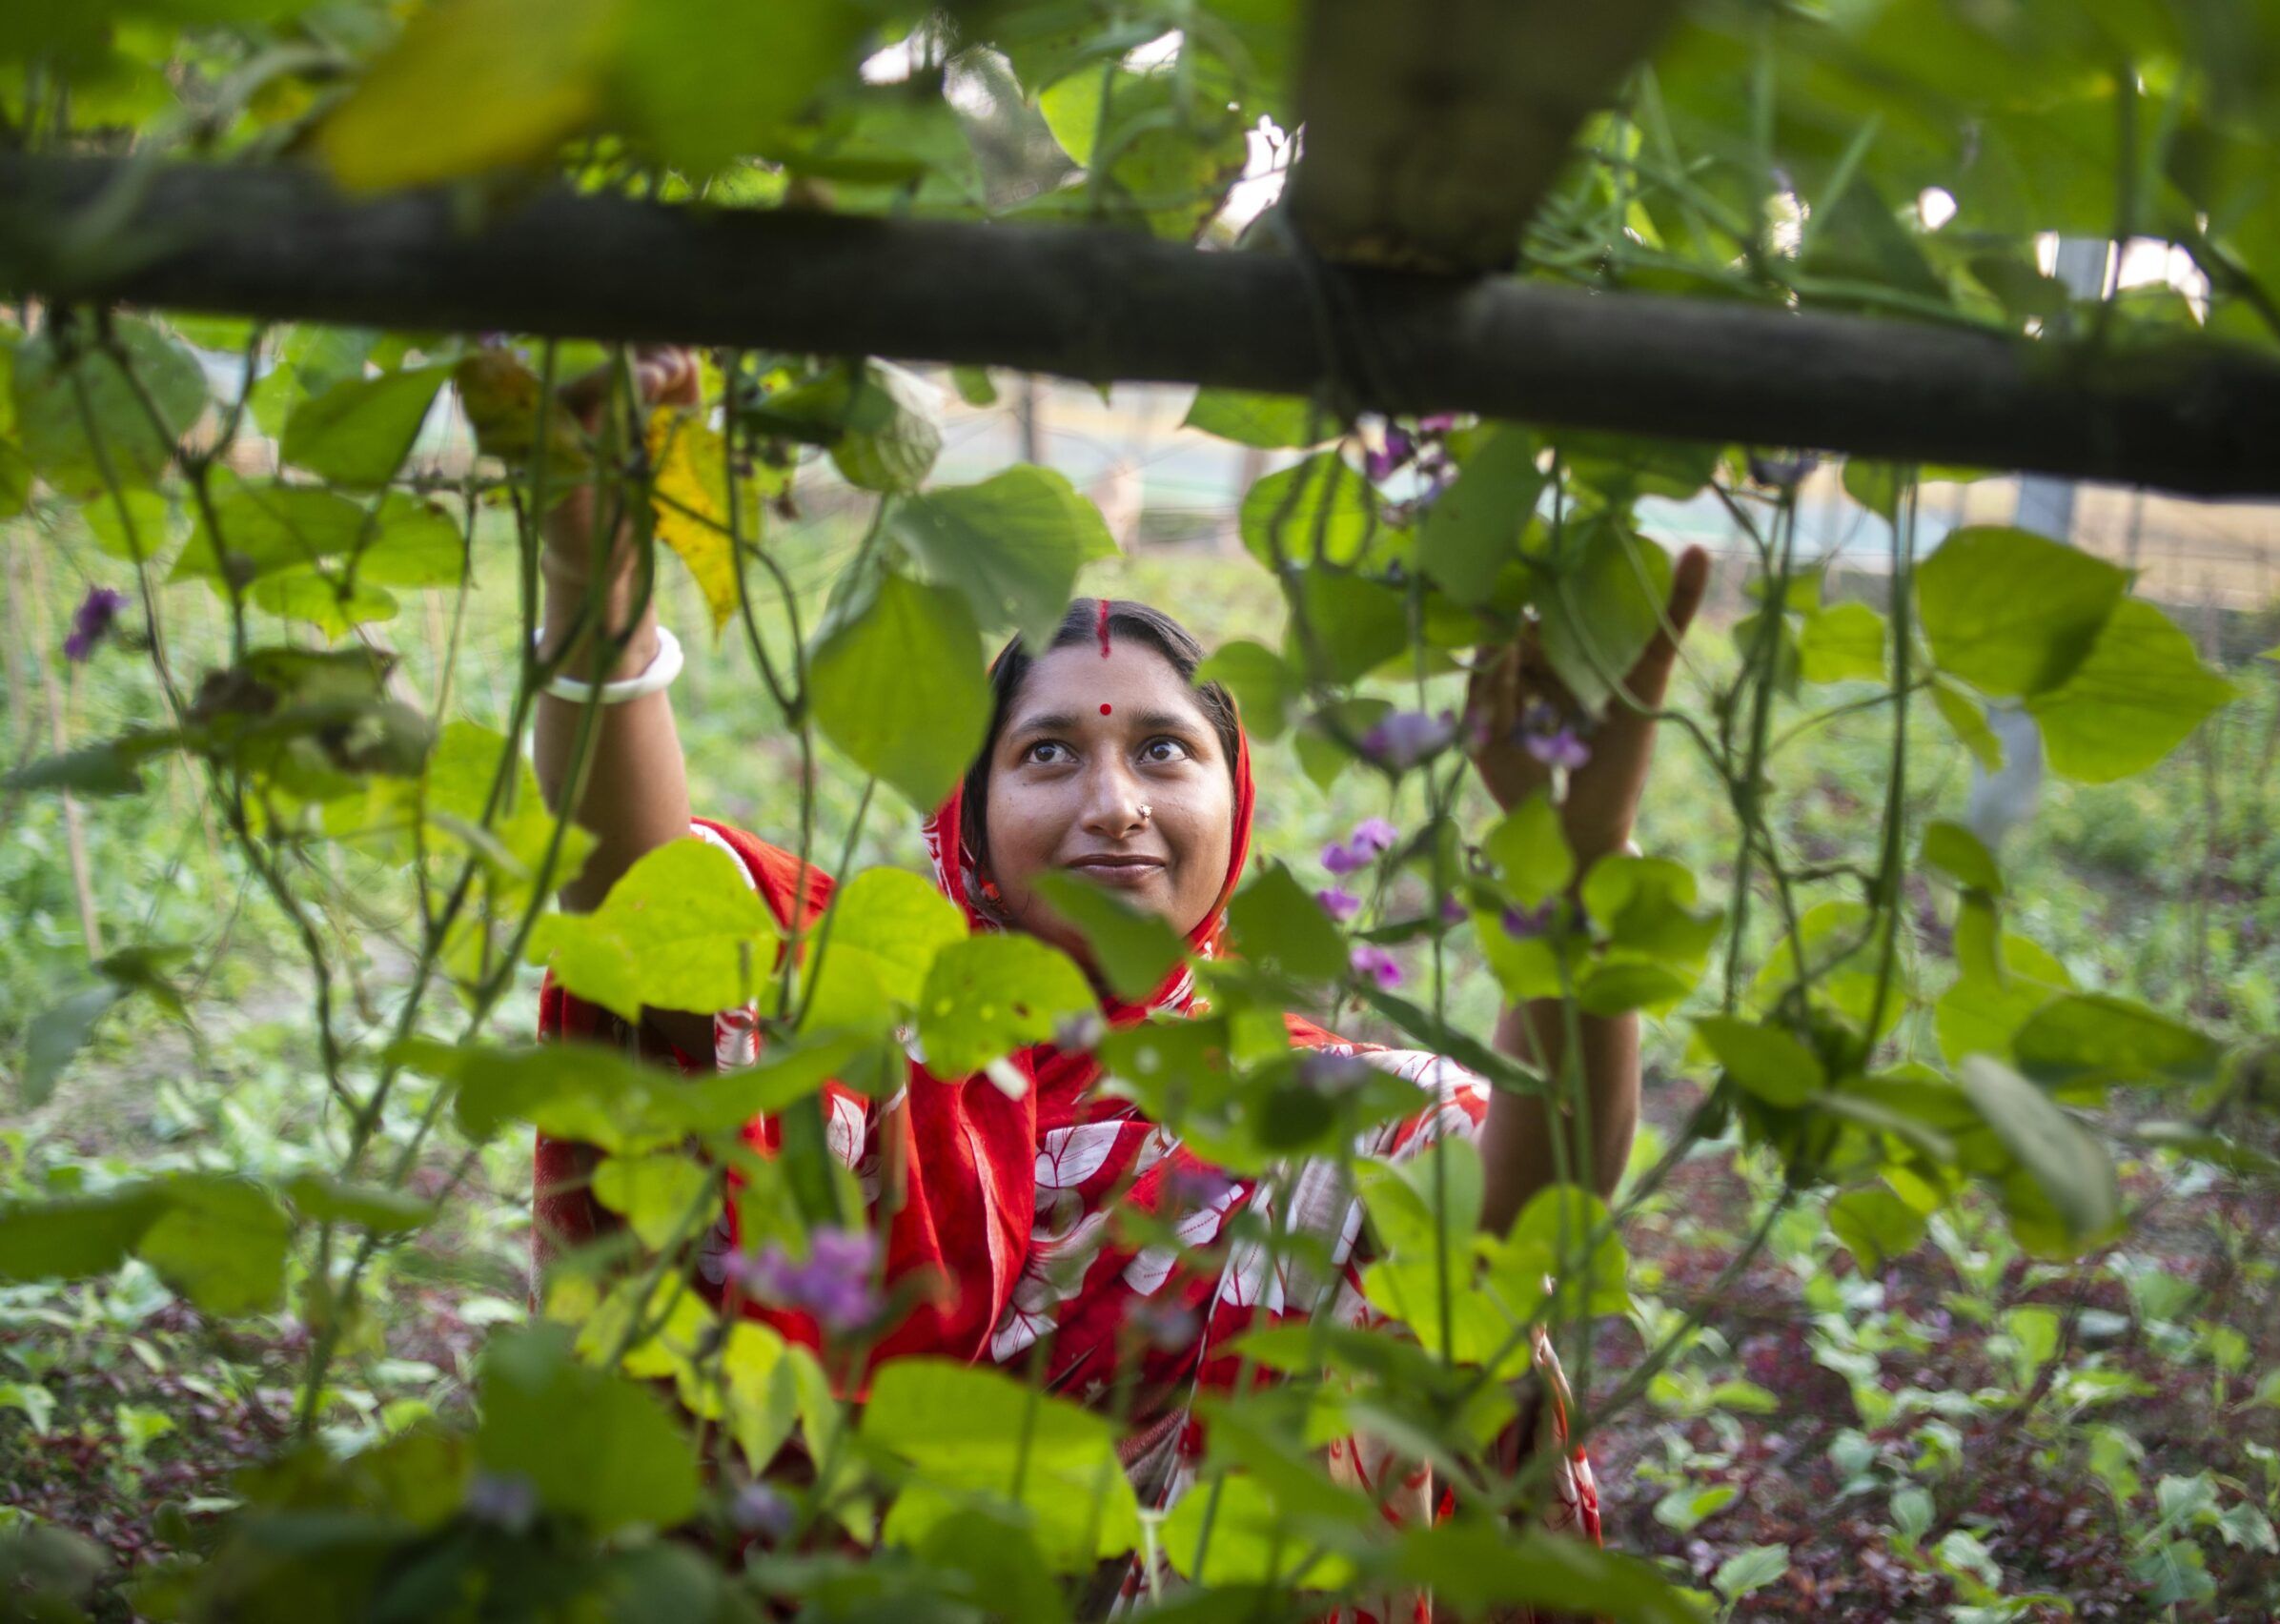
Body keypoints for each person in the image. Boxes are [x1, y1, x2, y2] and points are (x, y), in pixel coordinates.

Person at [529, 346, 1709, 1603]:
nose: (1114, 806)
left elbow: (1529, 1213)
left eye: (1163, 751)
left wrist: (1584, 866)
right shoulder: (868, 1010)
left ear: (1234, 807)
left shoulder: (1315, 1116)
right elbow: (644, 898)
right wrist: (591, 571)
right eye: (1045, 754)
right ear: (969, 818)